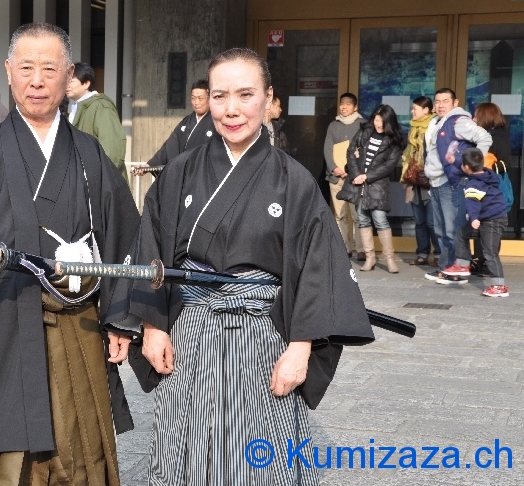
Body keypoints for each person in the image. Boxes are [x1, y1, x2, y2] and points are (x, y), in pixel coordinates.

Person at [120, 48, 374, 485]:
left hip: (263, 335)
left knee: (261, 448)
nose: (231, 109)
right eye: (220, 96)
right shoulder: (180, 172)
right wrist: (154, 326)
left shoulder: (293, 179)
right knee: (189, 443)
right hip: (191, 332)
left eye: (245, 94)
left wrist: (301, 346)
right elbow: (151, 250)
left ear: (268, 97)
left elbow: (317, 267)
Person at [0, 22, 140, 485]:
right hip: (4, 319)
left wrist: (121, 318)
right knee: (6, 448)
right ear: (9, 72)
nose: (37, 80)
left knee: (82, 444)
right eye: (26, 68)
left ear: (68, 74)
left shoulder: (88, 153)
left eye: (49, 69)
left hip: (79, 322)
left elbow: (125, 237)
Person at [422, 89, 491, 285]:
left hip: (451, 181)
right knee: (441, 229)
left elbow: (484, 138)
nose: (441, 105)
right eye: (437, 101)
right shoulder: (435, 122)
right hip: (435, 182)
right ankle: (446, 268)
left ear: (455, 102)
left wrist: (472, 165)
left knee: (453, 230)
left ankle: (458, 270)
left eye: (445, 101)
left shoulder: (458, 121)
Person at [337, 105, 405, 273]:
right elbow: (351, 152)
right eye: (376, 119)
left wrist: (367, 176)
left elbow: (389, 166)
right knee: (363, 219)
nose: (378, 124)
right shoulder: (364, 132)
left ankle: (389, 258)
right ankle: (370, 258)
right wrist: (356, 174)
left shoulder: (394, 140)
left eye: (382, 121)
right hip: (358, 184)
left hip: (377, 185)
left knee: (380, 219)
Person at [440, 148, 508, 297]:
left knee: (490, 252)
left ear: (466, 168)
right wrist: (455, 160)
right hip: (490, 218)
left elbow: (473, 203)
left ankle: (499, 286)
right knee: (462, 233)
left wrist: (474, 218)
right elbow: (470, 166)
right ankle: (463, 265)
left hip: (492, 221)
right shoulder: (488, 174)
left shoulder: (473, 184)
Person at [134, 79, 216, 174]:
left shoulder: (216, 122)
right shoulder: (186, 122)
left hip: (202, 174)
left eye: (200, 98)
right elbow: (169, 146)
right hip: (182, 174)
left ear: (209, 98)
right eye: (193, 98)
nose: (196, 102)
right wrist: (149, 166)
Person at [468, 102, 511, 276]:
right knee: (479, 223)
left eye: (477, 115)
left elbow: (503, 163)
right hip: (482, 188)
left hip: (492, 190)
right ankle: (479, 259)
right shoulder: (485, 135)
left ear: (485, 117)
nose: (474, 119)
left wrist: (484, 169)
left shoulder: (497, 136)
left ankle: (487, 262)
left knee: (490, 227)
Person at [67, 62, 128, 181]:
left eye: (71, 81)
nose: (66, 85)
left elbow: (113, 149)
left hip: (101, 184)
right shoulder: (77, 107)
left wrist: (98, 179)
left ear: (86, 83)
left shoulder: (101, 107)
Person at [323, 93, 366, 261]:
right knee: (340, 214)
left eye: (348, 104)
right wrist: (334, 168)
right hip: (337, 176)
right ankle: (344, 248)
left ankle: (361, 249)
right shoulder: (333, 125)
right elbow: (327, 149)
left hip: (355, 177)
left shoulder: (363, 124)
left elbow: (365, 150)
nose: (344, 107)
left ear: (355, 107)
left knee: (358, 214)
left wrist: (353, 170)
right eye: (342, 104)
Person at [400, 96, 440, 267]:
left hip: (430, 180)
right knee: (419, 221)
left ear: (426, 110)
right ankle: (422, 253)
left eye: (415, 108)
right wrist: (404, 177)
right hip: (414, 180)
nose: (412, 111)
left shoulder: (434, 126)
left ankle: (438, 253)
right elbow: (408, 154)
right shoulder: (413, 128)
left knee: (432, 221)